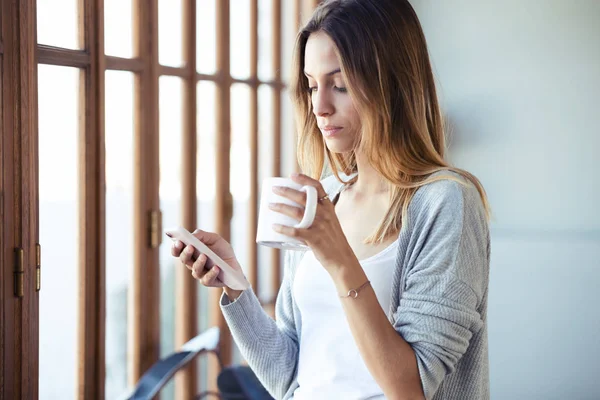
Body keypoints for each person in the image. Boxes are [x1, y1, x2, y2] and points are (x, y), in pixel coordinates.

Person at [172, 0, 491, 399]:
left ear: (391, 82)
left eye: (339, 86)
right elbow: (291, 377)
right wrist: (236, 289)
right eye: (311, 85)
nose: (319, 107)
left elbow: (411, 388)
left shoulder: (447, 204)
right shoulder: (327, 197)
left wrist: (339, 258)